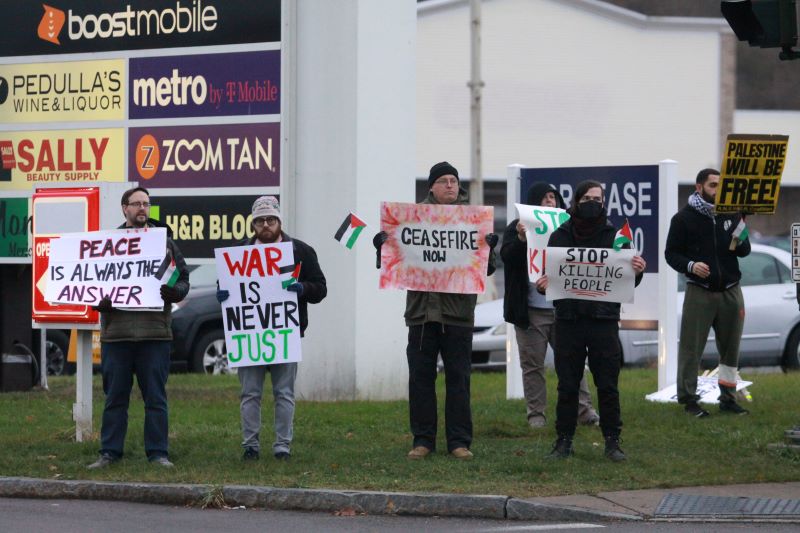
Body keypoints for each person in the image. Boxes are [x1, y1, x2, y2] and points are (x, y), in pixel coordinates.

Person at [374, 161, 497, 460]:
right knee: (420, 379)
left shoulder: (472, 221)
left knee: (459, 380)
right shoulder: (411, 221)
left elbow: (487, 269)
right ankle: (423, 440)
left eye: (454, 180)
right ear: (431, 186)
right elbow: (395, 265)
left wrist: (491, 249)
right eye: (443, 181)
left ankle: (459, 441)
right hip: (421, 314)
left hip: (458, 315)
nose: (450, 186)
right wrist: (382, 247)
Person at [540, 180, 645, 462]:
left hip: (603, 322)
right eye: (587, 198)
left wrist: (637, 270)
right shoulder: (560, 236)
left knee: (608, 384)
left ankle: (613, 441)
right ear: (576, 201)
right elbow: (549, 276)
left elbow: (628, 278)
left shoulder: (616, 236)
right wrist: (544, 284)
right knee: (567, 385)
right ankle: (564, 441)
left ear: (604, 203)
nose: (592, 203)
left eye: (597, 199)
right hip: (569, 321)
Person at [217, 195, 327, 461]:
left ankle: (282, 446)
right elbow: (227, 287)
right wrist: (222, 294)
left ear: (279, 221)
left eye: (270, 220)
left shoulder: (300, 251)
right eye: (260, 221)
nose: (265, 225)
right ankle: (250, 446)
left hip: (284, 333)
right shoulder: (238, 252)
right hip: (250, 334)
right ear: (253, 224)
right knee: (249, 392)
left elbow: (321, 289)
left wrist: (303, 289)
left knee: (284, 393)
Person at [87, 187, 190, 469]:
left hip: (154, 334)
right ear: (124, 209)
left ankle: (158, 453)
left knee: (156, 398)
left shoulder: (164, 244)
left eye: (146, 204)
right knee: (115, 398)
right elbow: (92, 285)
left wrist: (175, 293)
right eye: (136, 204)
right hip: (116, 335)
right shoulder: (108, 245)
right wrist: (102, 304)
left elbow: (183, 280)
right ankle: (109, 453)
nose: (142, 208)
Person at [501, 182, 599, 429]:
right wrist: (522, 239)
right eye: (545, 198)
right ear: (534, 201)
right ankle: (536, 415)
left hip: (563, 308)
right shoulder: (516, 228)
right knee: (533, 365)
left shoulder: (569, 227)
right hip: (531, 311)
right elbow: (507, 257)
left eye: (553, 197)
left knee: (573, 361)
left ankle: (584, 410)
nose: (550, 201)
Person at [665, 168, 751, 417]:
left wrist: (742, 226)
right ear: (699, 187)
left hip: (731, 291)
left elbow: (743, 251)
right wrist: (691, 266)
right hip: (699, 292)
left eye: (721, 185)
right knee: (692, 349)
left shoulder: (731, 214)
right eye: (713, 185)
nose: (718, 190)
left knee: (730, 349)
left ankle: (728, 398)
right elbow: (671, 254)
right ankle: (689, 400)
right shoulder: (683, 219)